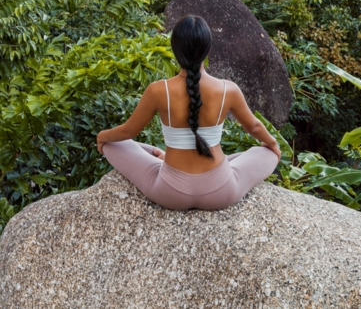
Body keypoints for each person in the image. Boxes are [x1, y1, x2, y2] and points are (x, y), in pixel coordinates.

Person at [96, 15, 281, 210]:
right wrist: (273, 144)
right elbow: (254, 126)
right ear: (207, 49)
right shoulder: (228, 89)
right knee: (266, 152)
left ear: (175, 49)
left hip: (170, 193)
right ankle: (181, 159)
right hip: (221, 191)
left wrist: (102, 137)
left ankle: (163, 158)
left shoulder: (159, 90)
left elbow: (127, 132)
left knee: (114, 144)